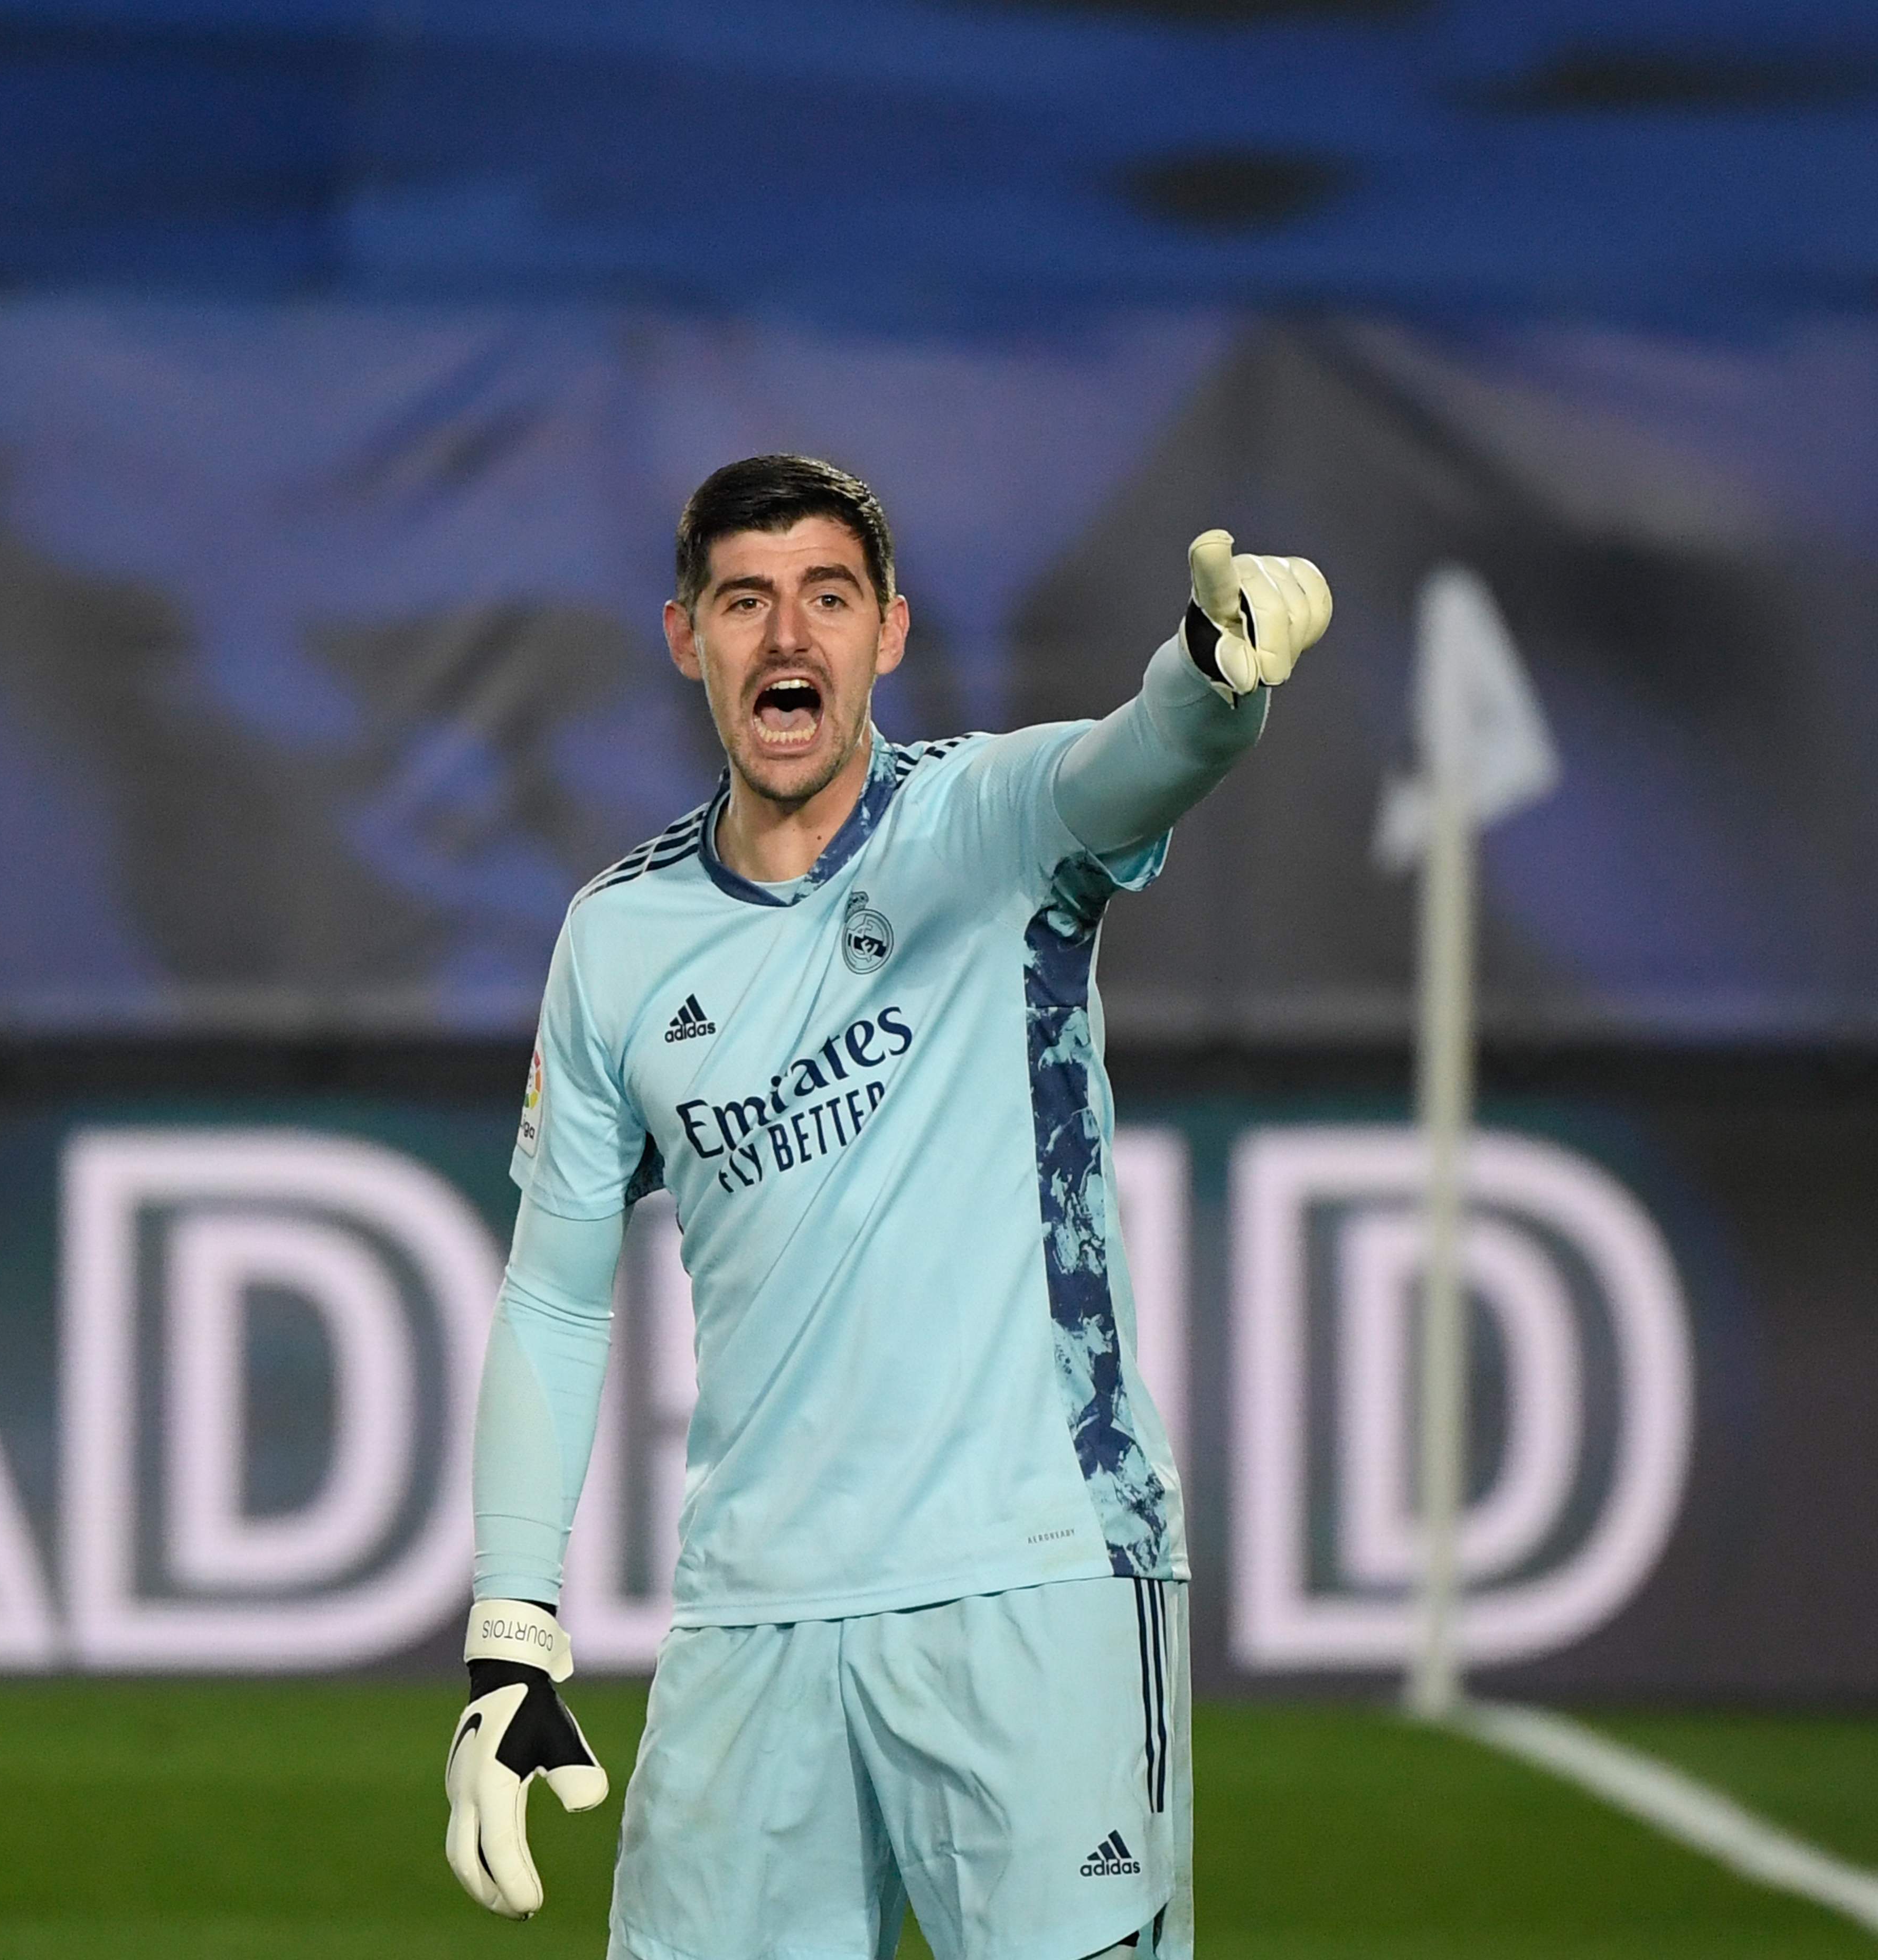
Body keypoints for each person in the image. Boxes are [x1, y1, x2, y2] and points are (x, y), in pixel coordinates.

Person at [442, 454, 1330, 1960]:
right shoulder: (616, 940)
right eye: (746, 602)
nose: (789, 640)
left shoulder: (989, 827)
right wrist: (510, 1627)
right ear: (688, 639)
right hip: (750, 1624)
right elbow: (554, 1291)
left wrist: (1211, 678)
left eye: (828, 600)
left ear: (890, 633)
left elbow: (1133, 760)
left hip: (1031, 1578)